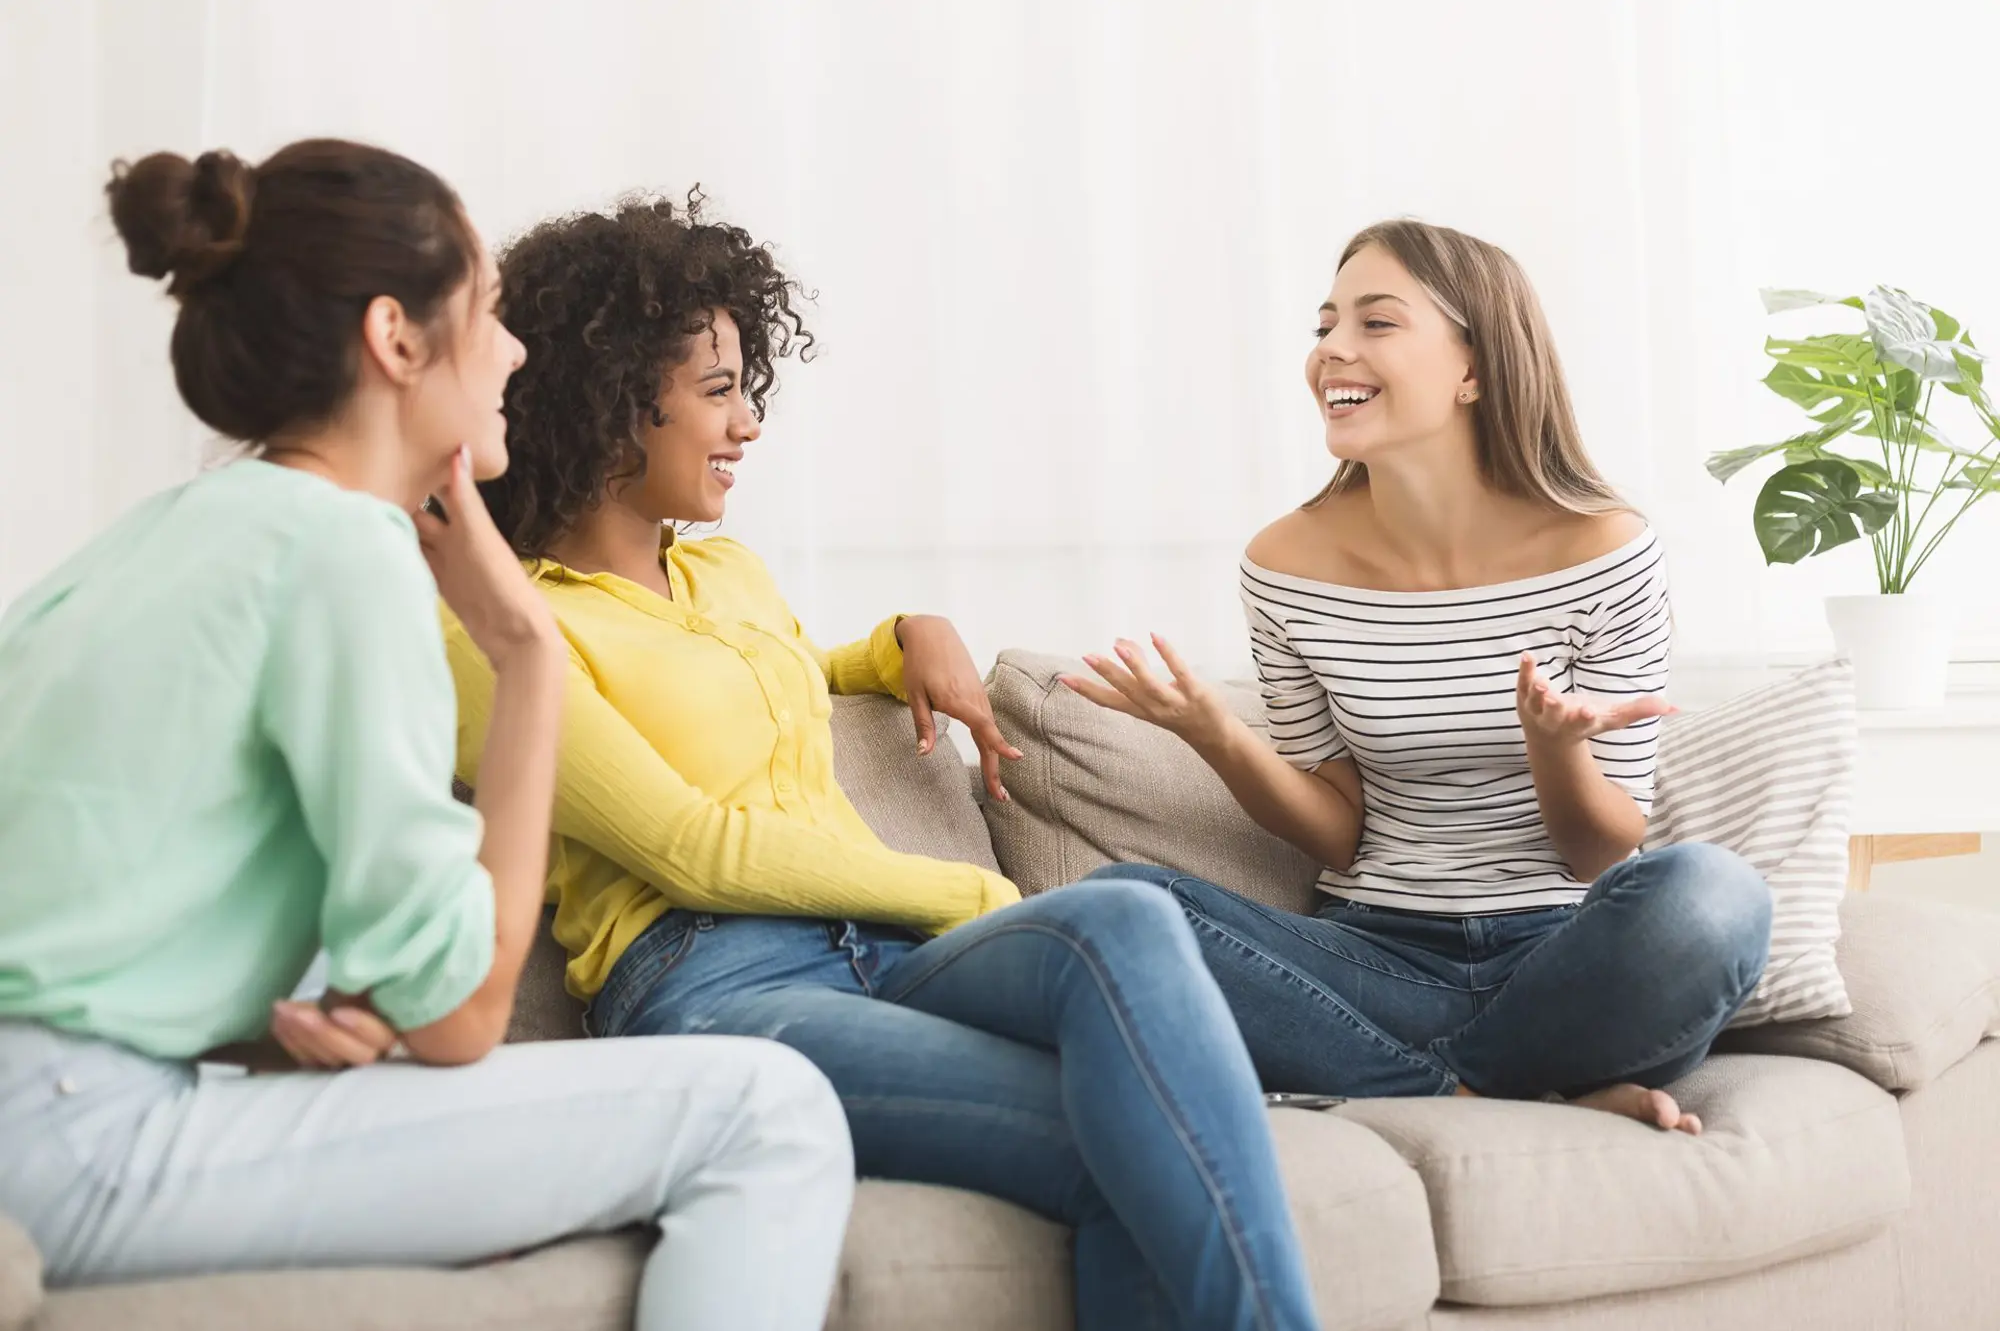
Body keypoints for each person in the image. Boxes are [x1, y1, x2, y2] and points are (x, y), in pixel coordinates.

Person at [0, 141, 853, 1331]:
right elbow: (461, 1020)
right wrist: (528, 655)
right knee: (769, 1111)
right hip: (71, 1134)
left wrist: (296, 1021)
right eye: (489, 312)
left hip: (56, 1101)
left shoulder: (158, 539)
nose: (514, 352)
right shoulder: (343, 552)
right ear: (395, 339)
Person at [447, 193, 1321, 1331]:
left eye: (747, 389)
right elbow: (690, 846)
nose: (747, 424)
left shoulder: (726, 574)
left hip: (883, 957)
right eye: (717, 391)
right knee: (1137, 1142)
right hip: (715, 986)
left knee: (1127, 915)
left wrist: (902, 636)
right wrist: (968, 892)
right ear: (614, 403)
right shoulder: (503, 628)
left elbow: (783, 674)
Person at [1064, 219, 1771, 1134]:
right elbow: (1338, 834)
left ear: (1473, 368)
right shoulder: (1283, 566)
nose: (1332, 349)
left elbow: (1599, 853)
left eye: (1376, 322)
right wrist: (1214, 732)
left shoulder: (1604, 549)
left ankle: (1391, 1079)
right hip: (1376, 961)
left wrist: (1554, 749)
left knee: (1715, 895)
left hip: (1563, 964)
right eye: (1325, 325)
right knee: (1121, 904)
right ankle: (1480, 1096)